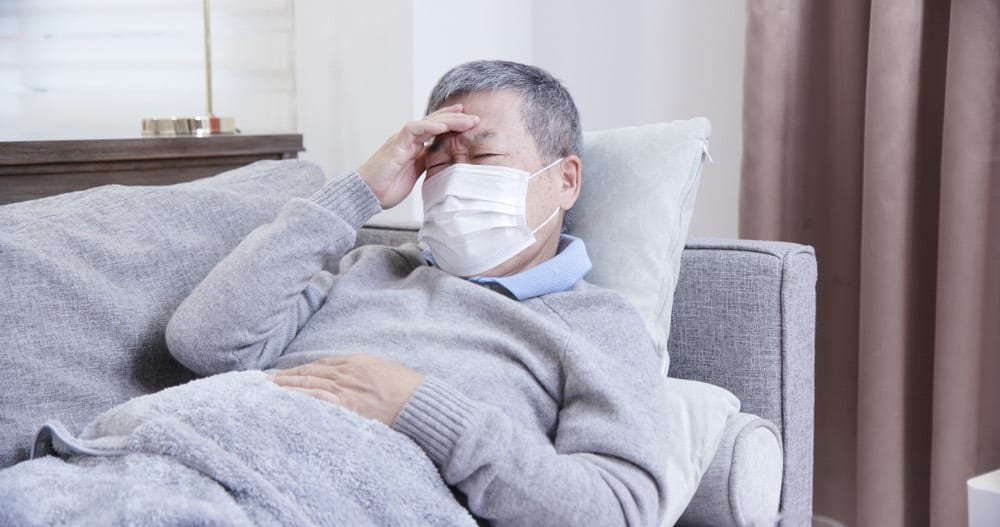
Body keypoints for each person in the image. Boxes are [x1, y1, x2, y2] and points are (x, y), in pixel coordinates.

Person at [166, 60, 670, 526]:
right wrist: (358, 192)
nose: (457, 179)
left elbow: (618, 510)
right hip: (193, 454)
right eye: (440, 163)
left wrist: (418, 405)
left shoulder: (597, 326)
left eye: (484, 155)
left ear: (565, 180)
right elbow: (204, 343)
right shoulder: (370, 267)